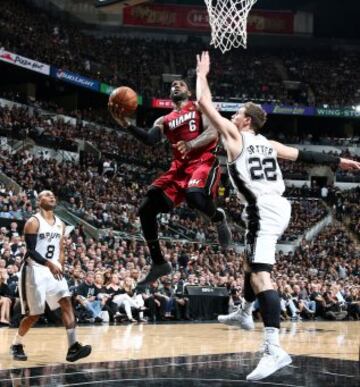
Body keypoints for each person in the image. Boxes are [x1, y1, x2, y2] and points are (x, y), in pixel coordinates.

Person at [196, 51, 360, 381]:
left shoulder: (235, 136)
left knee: (260, 275)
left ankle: (273, 348)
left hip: (262, 209)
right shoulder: (269, 143)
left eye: (238, 112)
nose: (234, 114)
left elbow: (203, 104)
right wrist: (339, 161)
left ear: (245, 121)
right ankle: (244, 312)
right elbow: (303, 155)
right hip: (279, 206)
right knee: (251, 261)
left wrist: (202, 74)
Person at [109, 79, 232, 285]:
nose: (176, 85)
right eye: (173, 85)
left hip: (203, 161)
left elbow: (213, 132)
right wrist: (126, 124)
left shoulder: (200, 107)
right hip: (179, 169)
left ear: (189, 91)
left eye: (181, 84)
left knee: (194, 197)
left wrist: (191, 143)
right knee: (146, 209)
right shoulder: (163, 120)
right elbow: (150, 139)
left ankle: (218, 217)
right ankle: (159, 263)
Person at [10, 191, 91, 362]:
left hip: (54, 269)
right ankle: (16, 344)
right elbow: (31, 252)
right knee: (34, 314)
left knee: (66, 302)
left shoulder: (60, 223)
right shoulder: (33, 222)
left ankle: (73, 346)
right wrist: (49, 264)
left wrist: (59, 264)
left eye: (53, 195)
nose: (52, 197)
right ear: (39, 201)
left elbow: (60, 248)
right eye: (47, 195)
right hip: (34, 270)